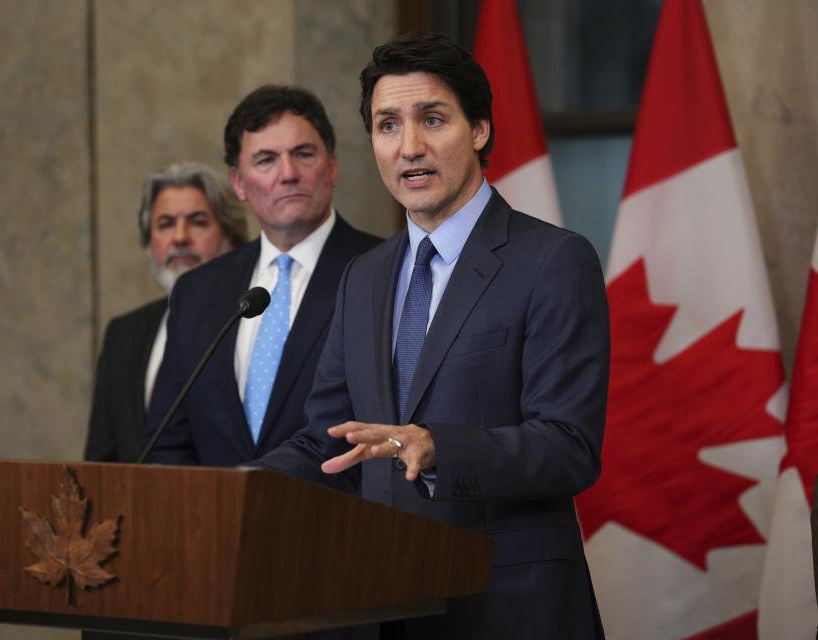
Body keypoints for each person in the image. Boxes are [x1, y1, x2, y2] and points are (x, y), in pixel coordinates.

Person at [257, 34, 610, 639]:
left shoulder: (553, 260)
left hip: (507, 605)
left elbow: (568, 445)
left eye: (433, 119)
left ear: (479, 129)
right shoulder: (362, 277)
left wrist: (436, 445)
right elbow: (328, 441)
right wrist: (238, 488)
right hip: (382, 605)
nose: (409, 147)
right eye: (387, 125)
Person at [143, 85, 382, 465]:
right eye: (266, 160)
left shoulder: (383, 270)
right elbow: (168, 444)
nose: (288, 174)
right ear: (238, 182)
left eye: (303, 154)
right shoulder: (197, 292)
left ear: (333, 166)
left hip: (342, 519)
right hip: (214, 521)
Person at [83, 162, 248, 463]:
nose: (180, 237)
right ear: (149, 243)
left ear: (232, 236)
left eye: (198, 222)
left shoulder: (250, 324)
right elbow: (101, 460)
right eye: (166, 224)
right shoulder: (124, 334)